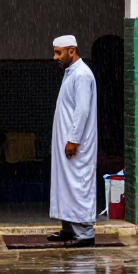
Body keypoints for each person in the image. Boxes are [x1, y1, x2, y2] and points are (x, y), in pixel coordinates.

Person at [49, 35, 98, 248]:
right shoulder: (71, 73)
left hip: (77, 146)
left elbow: (82, 110)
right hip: (67, 144)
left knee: (78, 185)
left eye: (59, 53)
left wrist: (73, 140)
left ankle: (85, 234)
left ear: (72, 51)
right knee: (65, 185)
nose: (55, 57)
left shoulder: (82, 75)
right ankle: (68, 228)